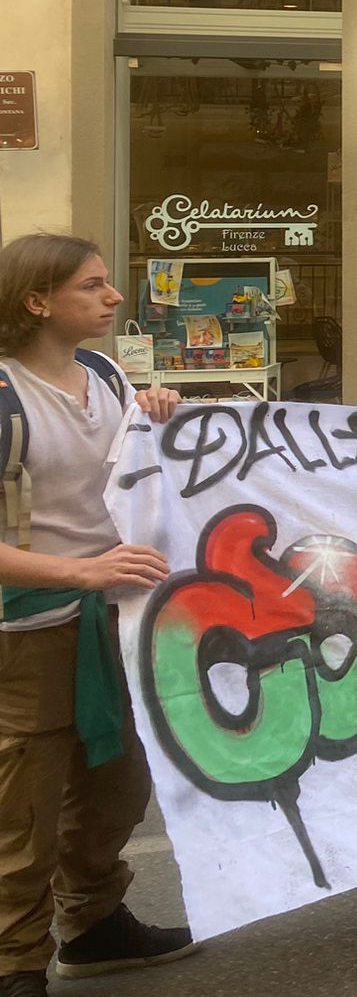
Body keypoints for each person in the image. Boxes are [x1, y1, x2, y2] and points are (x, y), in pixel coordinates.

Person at [0, 235, 196, 991]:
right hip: (31, 631)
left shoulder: (108, 376)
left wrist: (153, 414)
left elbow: (132, 478)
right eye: (94, 285)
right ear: (37, 301)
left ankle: (93, 923)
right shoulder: (8, 398)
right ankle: (15, 963)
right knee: (23, 809)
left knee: (115, 781)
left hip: (117, 614)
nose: (114, 297)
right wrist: (80, 571)